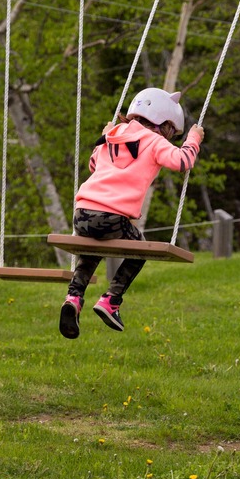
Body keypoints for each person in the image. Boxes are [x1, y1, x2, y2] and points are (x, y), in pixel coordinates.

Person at [59, 87, 204, 339]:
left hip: (81, 214)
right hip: (113, 216)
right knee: (140, 249)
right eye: (172, 130)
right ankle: (111, 300)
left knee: (92, 250)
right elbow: (183, 161)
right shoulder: (155, 141)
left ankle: (74, 296)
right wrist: (194, 138)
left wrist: (105, 136)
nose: (170, 136)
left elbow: (94, 165)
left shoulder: (112, 134)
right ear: (164, 122)